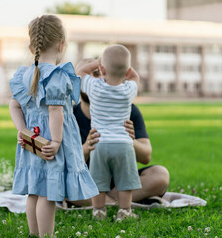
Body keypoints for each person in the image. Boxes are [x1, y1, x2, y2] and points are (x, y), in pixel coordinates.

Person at [8, 15, 98, 237]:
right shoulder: (57, 75)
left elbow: (14, 105)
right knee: (48, 193)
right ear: (61, 45)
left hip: (33, 142)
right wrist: (57, 141)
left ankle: (33, 233)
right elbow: (55, 110)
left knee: (34, 191)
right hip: (50, 143)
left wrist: (23, 130)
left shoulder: (25, 75)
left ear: (32, 48)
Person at [69, 58, 169, 210]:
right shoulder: (69, 116)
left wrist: (130, 140)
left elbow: (146, 157)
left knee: (160, 175)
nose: (90, 79)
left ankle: (102, 203)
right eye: (86, 76)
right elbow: (67, 164)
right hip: (88, 182)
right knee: (60, 182)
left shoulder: (129, 110)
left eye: (96, 74)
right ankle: (122, 204)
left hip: (121, 180)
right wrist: (87, 148)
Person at [77, 45, 141, 221]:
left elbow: (80, 72)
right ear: (127, 70)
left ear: (102, 69)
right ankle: (125, 211)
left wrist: (97, 63)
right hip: (123, 144)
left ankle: (98, 211)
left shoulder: (95, 88)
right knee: (125, 181)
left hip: (100, 143)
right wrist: (124, 67)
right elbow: (135, 76)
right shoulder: (128, 90)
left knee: (97, 180)